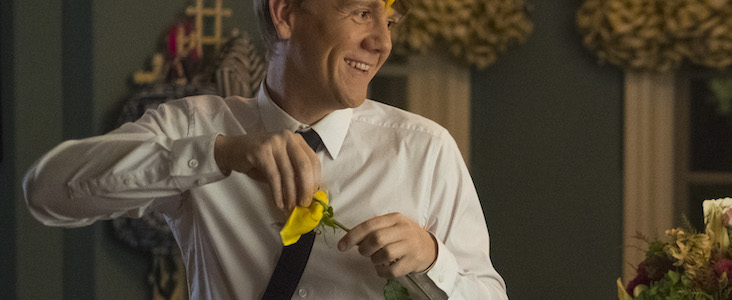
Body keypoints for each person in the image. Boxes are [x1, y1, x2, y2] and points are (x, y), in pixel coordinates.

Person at [23, 0, 507, 298]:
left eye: (388, 18)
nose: (382, 41)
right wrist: (217, 155)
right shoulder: (198, 127)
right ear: (285, 13)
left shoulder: (425, 151)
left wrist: (431, 260)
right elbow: (47, 191)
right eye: (361, 12)